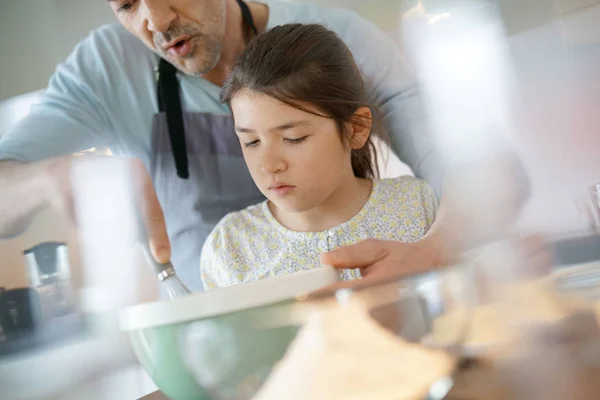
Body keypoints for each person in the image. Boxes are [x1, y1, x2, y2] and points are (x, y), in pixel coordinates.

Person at [0, 0, 527, 291]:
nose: (155, 21)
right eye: (127, 3)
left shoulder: (335, 39)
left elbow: (489, 167)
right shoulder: (104, 69)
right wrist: (49, 176)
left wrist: (432, 251)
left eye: (294, 135)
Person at [200, 24, 438, 289]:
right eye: (251, 141)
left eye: (294, 138)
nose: (269, 165)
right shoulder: (229, 248)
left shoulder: (422, 208)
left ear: (356, 128)